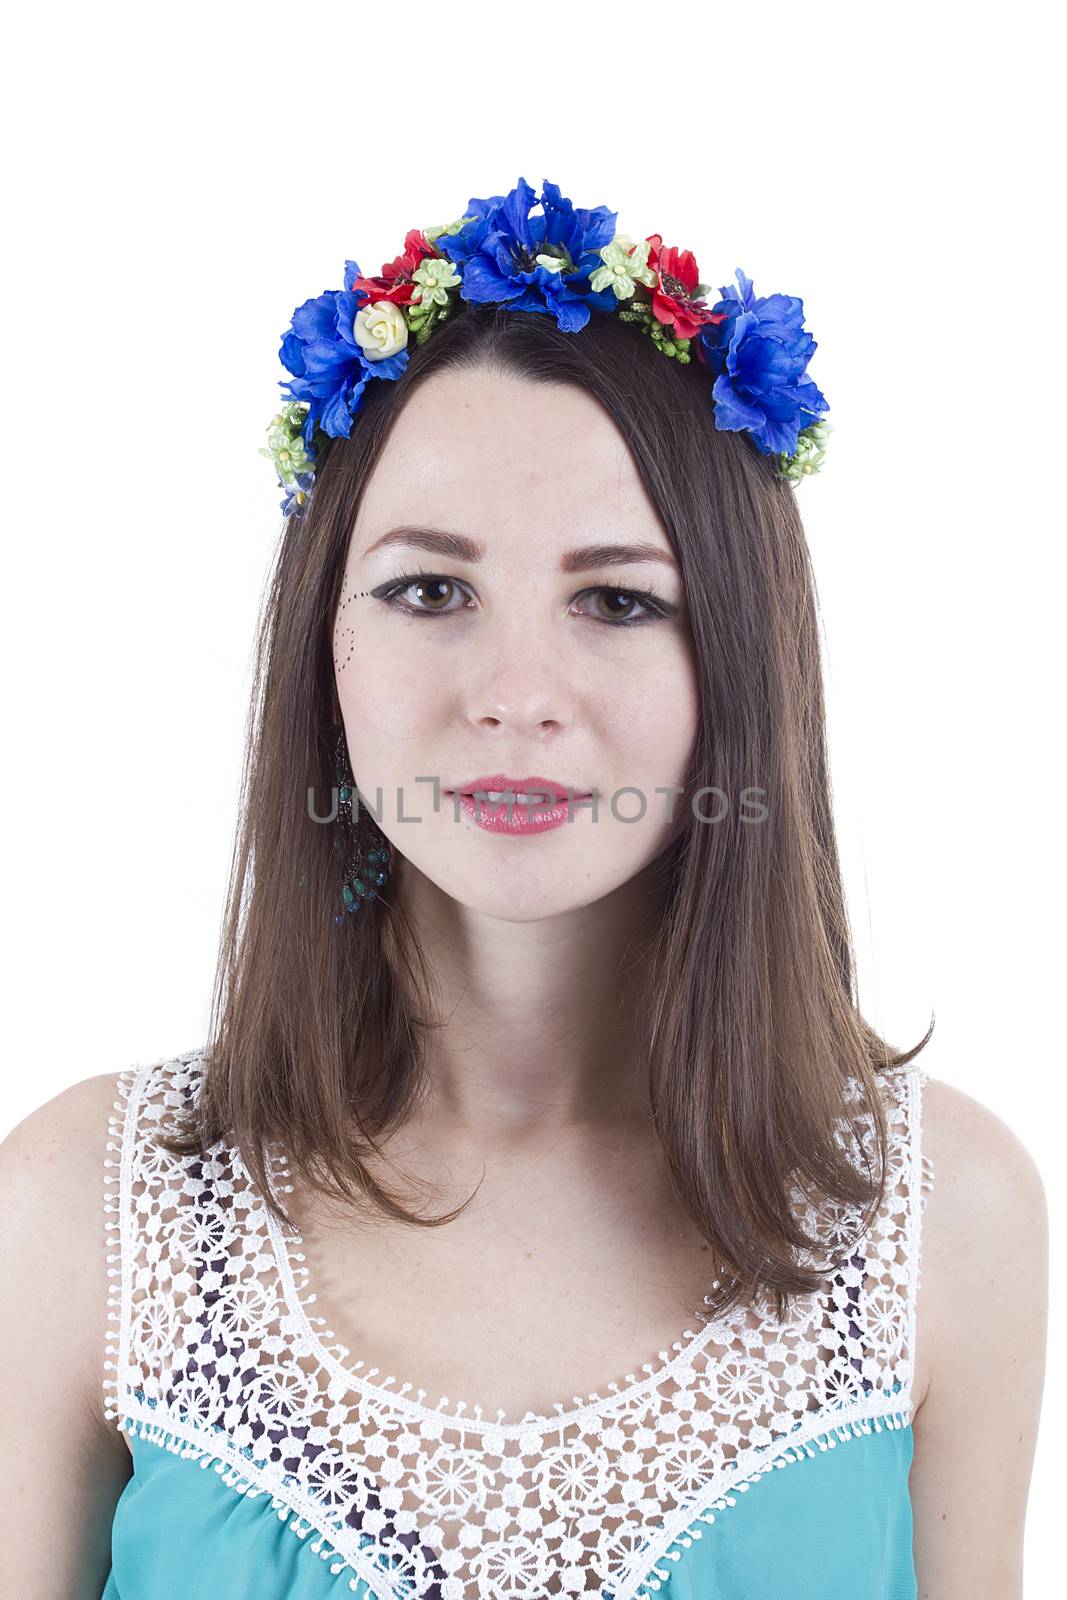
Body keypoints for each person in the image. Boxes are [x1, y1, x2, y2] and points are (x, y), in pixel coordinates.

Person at [0, 177, 1048, 1599]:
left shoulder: (942, 1220)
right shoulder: (86, 1215)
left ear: (739, 662)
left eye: (617, 600)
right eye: (432, 592)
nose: (515, 696)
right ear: (328, 645)